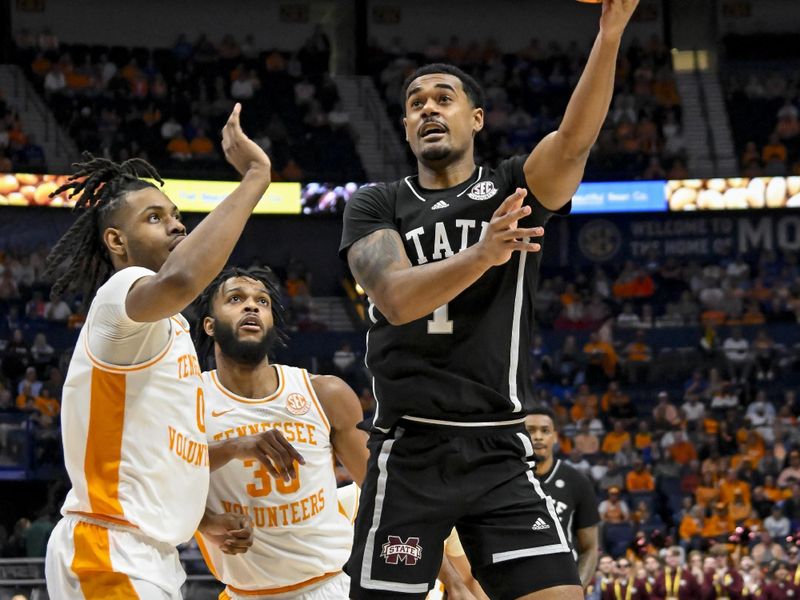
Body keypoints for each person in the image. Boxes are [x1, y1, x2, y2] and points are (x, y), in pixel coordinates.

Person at [338, 0, 640, 596]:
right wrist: (483, 253)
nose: (427, 108)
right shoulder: (376, 204)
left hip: (500, 443)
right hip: (411, 447)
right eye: (415, 104)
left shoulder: (512, 187)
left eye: (442, 98)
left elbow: (574, 144)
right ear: (404, 128)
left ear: (475, 118)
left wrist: (609, 36)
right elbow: (396, 299)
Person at [44, 103, 274, 598]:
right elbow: (185, 277)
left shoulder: (168, 328)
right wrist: (255, 177)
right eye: (155, 218)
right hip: (111, 548)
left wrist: (200, 513)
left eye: (176, 216)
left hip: (148, 555)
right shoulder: (121, 295)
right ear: (117, 240)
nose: (176, 226)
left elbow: (159, 458)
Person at [191, 266, 468, 598]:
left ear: (272, 322)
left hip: (327, 587)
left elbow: (384, 493)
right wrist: (210, 509)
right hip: (241, 591)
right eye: (235, 299)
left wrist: (450, 579)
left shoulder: (324, 394)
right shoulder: (188, 401)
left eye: (261, 301)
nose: (251, 307)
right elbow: (162, 479)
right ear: (209, 324)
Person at [526, 407, 600, 589]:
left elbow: (590, 548)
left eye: (545, 431)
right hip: (520, 582)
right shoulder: (507, 481)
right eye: (530, 431)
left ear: (555, 436)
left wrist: (576, 591)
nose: (538, 437)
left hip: (562, 580)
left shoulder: (577, 481)